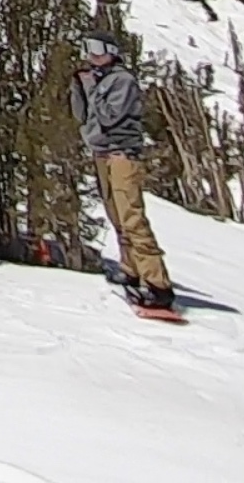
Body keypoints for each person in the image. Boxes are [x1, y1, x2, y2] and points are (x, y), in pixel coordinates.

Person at [72, 34, 176, 311]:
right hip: (101, 153)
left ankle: (158, 284)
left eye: (97, 49)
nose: (92, 55)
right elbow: (82, 115)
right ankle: (130, 268)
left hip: (122, 155)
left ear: (112, 51)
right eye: (87, 49)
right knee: (116, 215)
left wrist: (91, 88)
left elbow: (110, 115)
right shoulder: (98, 79)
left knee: (131, 217)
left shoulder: (122, 80)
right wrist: (79, 88)